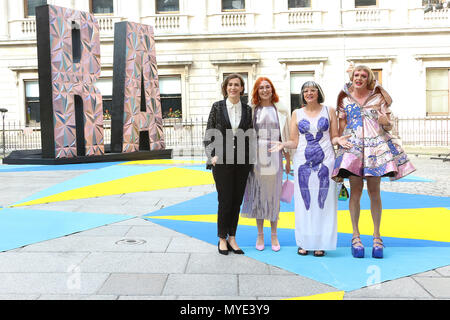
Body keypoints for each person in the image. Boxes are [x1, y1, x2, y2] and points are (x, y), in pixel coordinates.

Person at [332, 64, 416, 259]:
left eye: (363, 75)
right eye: (356, 75)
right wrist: (341, 146)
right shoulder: (344, 99)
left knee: (374, 191)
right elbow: (341, 127)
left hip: (375, 149)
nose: (359, 78)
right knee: (355, 191)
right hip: (353, 149)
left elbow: (389, 124)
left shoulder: (378, 97)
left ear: (368, 78)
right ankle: (355, 236)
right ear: (352, 77)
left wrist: (383, 121)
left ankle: (377, 236)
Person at [271, 81, 348, 257]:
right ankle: (304, 242)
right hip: (302, 162)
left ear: (318, 92)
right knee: (304, 202)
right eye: (306, 91)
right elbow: (294, 141)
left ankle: (321, 242)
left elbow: (334, 137)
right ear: (302, 95)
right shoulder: (296, 113)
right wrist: (284, 144)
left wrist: (339, 141)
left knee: (324, 202)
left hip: (326, 162)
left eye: (312, 90)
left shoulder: (328, 111)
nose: (309, 93)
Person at [203, 73, 254, 255]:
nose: (233, 87)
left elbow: (250, 136)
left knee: (236, 201)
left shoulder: (248, 110)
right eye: (230, 84)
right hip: (222, 161)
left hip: (242, 161)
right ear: (225, 88)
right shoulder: (217, 107)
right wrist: (212, 156)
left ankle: (233, 237)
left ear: (242, 88)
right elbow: (209, 132)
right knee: (225, 200)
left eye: (237, 85)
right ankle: (222, 238)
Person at [241, 77, 291, 252]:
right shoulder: (252, 110)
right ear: (256, 90)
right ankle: (260, 234)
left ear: (272, 89)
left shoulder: (282, 110)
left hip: (275, 153)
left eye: (267, 87)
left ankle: (274, 234)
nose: (264, 90)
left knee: (273, 195)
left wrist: (288, 160)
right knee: (258, 194)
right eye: (261, 87)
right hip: (256, 155)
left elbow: (285, 135)